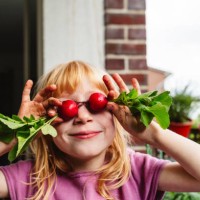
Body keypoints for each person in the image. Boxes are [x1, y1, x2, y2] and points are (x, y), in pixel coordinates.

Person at [0, 60, 200, 200]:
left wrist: (156, 135)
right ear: (44, 124)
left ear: (117, 113)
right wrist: (17, 132)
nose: (83, 117)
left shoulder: (139, 172)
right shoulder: (26, 179)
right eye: (65, 107)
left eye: (96, 104)